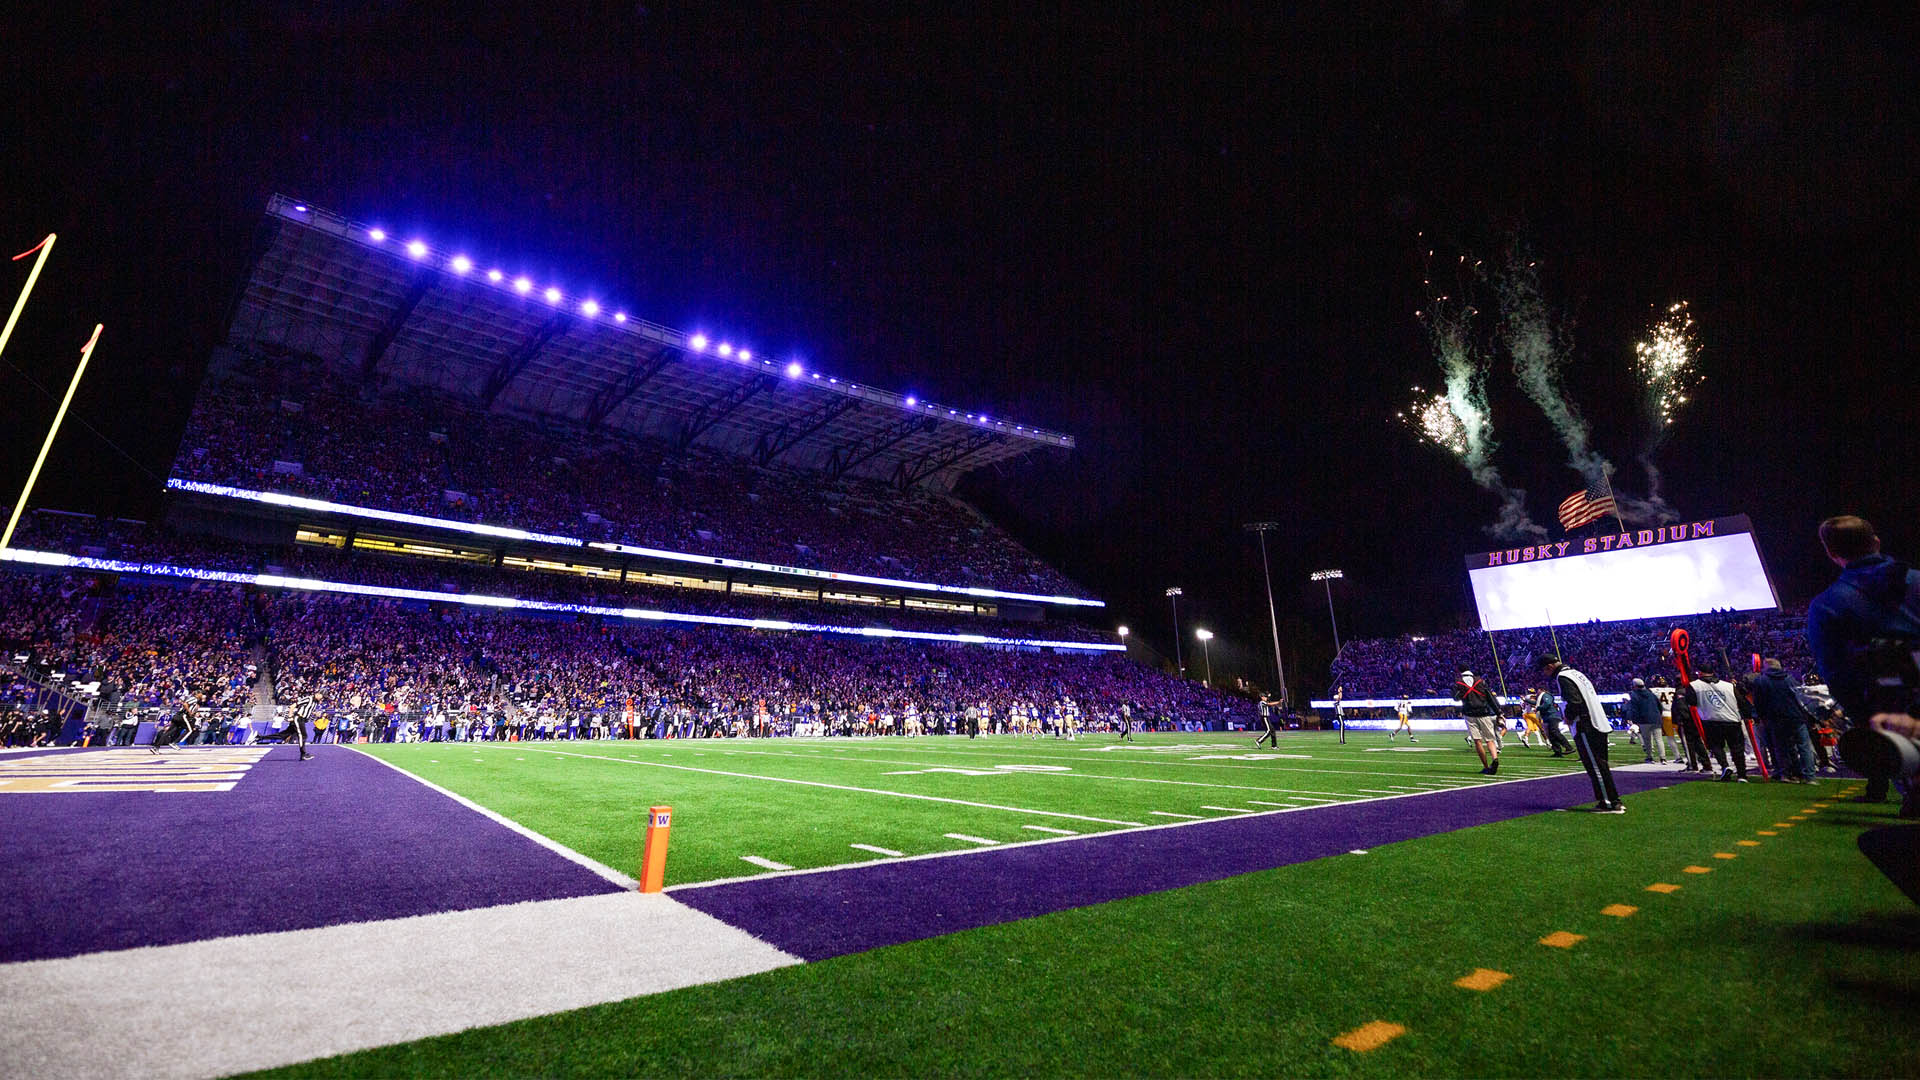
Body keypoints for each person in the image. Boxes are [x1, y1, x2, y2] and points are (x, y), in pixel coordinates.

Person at [1805, 515, 1920, 807]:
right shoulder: (1917, 582)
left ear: (1832, 554)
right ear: (1876, 542)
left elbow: (1835, 673)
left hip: (1888, 709)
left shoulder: (1828, 604)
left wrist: (1863, 717)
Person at [1543, 654, 1623, 812]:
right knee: (1601, 764)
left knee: (1595, 766)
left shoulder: (1563, 677)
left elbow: (1575, 702)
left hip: (1586, 725)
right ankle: (1610, 799)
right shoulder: (1576, 673)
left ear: (1549, 667)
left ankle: (1609, 802)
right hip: (1597, 722)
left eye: (1544, 671)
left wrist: (1569, 716)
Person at [1747, 659, 1818, 783]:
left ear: (1766, 667)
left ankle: (1786, 774)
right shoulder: (1790, 679)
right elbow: (1801, 698)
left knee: (1782, 747)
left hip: (1776, 718)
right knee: (1804, 747)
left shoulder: (1761, 681)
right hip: (1796, 717)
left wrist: (1761, 717)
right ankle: (1809, 776)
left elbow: (1759, 702)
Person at [1684, 668, 1749, 782]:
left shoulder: (1694, 685)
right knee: (1737, 748)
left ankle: (1725, 766)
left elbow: (1691, 702)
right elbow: (1741, 701)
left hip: (1711, 719)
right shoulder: (1728, 685)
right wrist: (1748, 715)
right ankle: (1742, 774)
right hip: (1732, 719)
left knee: (1716, 746)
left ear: (1700, 673)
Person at [1454, 669, 1502, 774]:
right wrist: (1498, 712)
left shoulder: (1458, 682)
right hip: (1484, 712)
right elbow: (1490, 698)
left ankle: (1485, 766)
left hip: (1470, 714)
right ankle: (1495, 759)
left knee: (1477, 741)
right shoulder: (1480, 681)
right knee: (1490, 740)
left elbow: (1456, 698)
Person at [1623, 678, 1666, 764]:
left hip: (1644, 719)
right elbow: (1660, 706)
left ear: (1634, 686)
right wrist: (1658, 715)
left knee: (1647, 740)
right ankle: (1663, 758)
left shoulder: (1634, 695)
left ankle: (1650, 757)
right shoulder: (1651, 694)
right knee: (1659, 739)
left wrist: (1635, 720)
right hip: (1655, 718)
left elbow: (1634, 709)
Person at [1529, 684, 1574, 757]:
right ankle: (1557, 752)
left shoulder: (1546, 695)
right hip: (1548, 717)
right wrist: (1526, 700)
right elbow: (1537, 703)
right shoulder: (1542, 697)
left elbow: (1547, 703)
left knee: (1554, 731)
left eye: (1538, 690)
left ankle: (1568, 747)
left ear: (1541, 690)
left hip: (1552, 716)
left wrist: (1538, 708)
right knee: (1551, 735)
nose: (1537, 692)